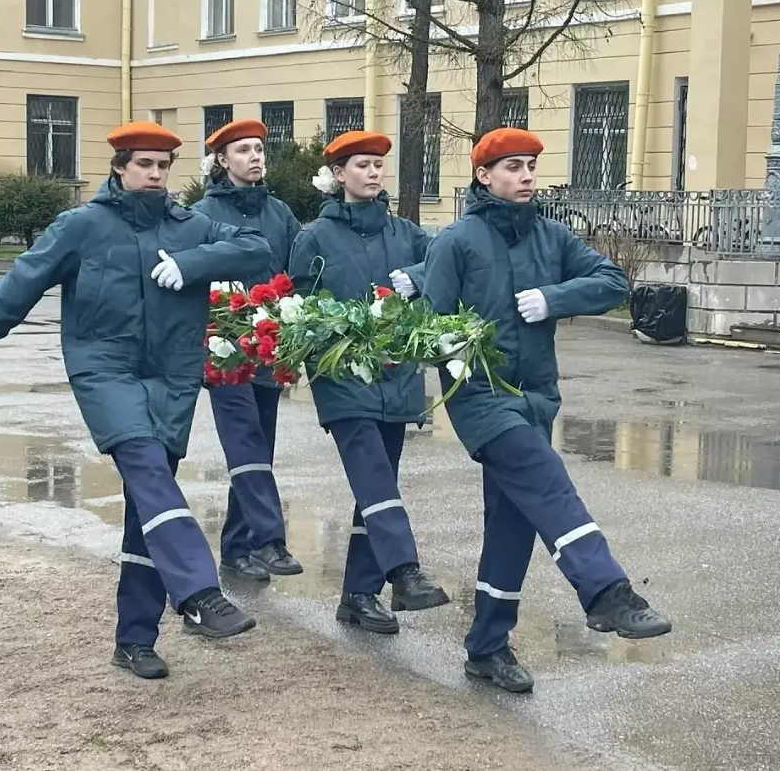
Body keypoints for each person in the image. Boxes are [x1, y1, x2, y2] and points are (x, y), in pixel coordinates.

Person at [0, 120, 275, 680]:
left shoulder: (190, 226)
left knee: (148, 507)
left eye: (163, 165)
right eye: (144, 164)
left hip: (171, 378)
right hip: (105, 371)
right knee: (149, 473)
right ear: (120, 168)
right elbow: (22, 281)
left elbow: (256, 248)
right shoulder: (82, 226)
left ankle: (134, 640)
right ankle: (198, 591)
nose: (155, 174)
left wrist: (193, 263)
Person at [401, 127, 672, 694]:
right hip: (481, 398)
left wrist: (555, 298)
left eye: (530, 166)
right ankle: (606, 593)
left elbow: (613, 280)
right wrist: (452, 350)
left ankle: (487, 648)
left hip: (537, 398)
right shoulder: (458, 240)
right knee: (548, 480)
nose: (526, 176)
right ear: (484, 176)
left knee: (512, 526)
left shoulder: (552, 236)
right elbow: (430, 323)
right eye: (512, 167)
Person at [288, 130, 449, 635]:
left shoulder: (406, 233)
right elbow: (298, 305)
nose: (374, 172)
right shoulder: (314, 237)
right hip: (342, 378)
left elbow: (441, 269)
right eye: (362, 164)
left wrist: (418, 280)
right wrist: (334, 340)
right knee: (374, 476)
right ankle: (403, 571)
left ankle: (358, 595)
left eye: (379, 164)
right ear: (339, 175)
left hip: (397, 376)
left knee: (375, 487)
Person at [190, 119, 304, 583]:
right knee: (244, 440)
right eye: (243, 151)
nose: (255, 157)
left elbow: (300, 266)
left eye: (259, 149)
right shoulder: (201, 215)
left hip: (271, 343)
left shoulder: (280, 213)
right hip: (223, 345)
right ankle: (269, 539)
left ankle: (238, 549)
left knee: (260, 445)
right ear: (222, 160)